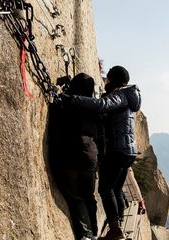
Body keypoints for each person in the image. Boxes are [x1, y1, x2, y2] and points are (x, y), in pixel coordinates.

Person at [62, 65, 141, 240]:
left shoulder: (120, 94)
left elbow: (102, 105)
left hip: (118, 149)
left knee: (106, 189)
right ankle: (118, 224)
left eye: (108, 79)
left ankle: (115, 230)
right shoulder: (129, 97)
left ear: (113, 79)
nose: (106, 82)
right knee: (116, 188)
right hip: (129, 150)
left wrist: (73, 99)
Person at [49, 73, 101, 240]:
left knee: (74, 195)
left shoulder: (65, 103)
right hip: (90, 156)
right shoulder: (95, 108)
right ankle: (93, 230)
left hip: (70, 153)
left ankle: (85, 234)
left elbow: (55, 125)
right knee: (88, 195)